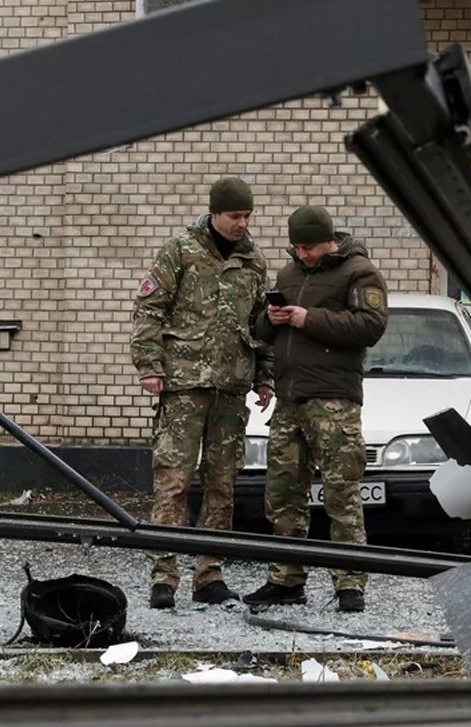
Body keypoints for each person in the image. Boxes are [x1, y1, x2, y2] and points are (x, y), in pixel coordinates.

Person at [130, 177, 274, 610]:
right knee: (173, 480)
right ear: (215, 213)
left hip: (231, 387)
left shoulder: (253, 260)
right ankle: (164, 575)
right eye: (234, 216)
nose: (241, 223)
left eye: (247, 216)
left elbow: (262, 325)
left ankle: (210, 575)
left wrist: (265, 377)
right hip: (185, 385)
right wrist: (150, 366)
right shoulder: (180, 250)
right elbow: (149, 309)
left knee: (222, 483)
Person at [245, 206, 388, 613]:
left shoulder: (359, 272)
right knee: (284, 493)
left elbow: (371, 326)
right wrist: (270, 318)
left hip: (333, 398)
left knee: (341, 492)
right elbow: (262, 333)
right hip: (290, 400)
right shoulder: (289, 275)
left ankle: (350, 583)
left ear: (329, 240)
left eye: (309, 247)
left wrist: (310, 319)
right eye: (297, 247)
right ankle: (286, 579)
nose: (303, 254)